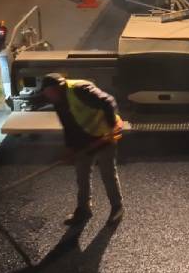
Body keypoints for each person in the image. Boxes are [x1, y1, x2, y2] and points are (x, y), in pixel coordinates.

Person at [34, 73, 124, 226]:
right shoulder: (58, 101)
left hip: (105, 134)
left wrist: (110, 128)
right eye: (47, 94)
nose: (50, 96)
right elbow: (68, 126)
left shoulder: (80, 90)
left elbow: (108, 102)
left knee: (107, 173)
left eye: (51, 93)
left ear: (59, 87)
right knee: (82, 175)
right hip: (85, 139)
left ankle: (117, 207)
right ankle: (83, 210)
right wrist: (70, 149)